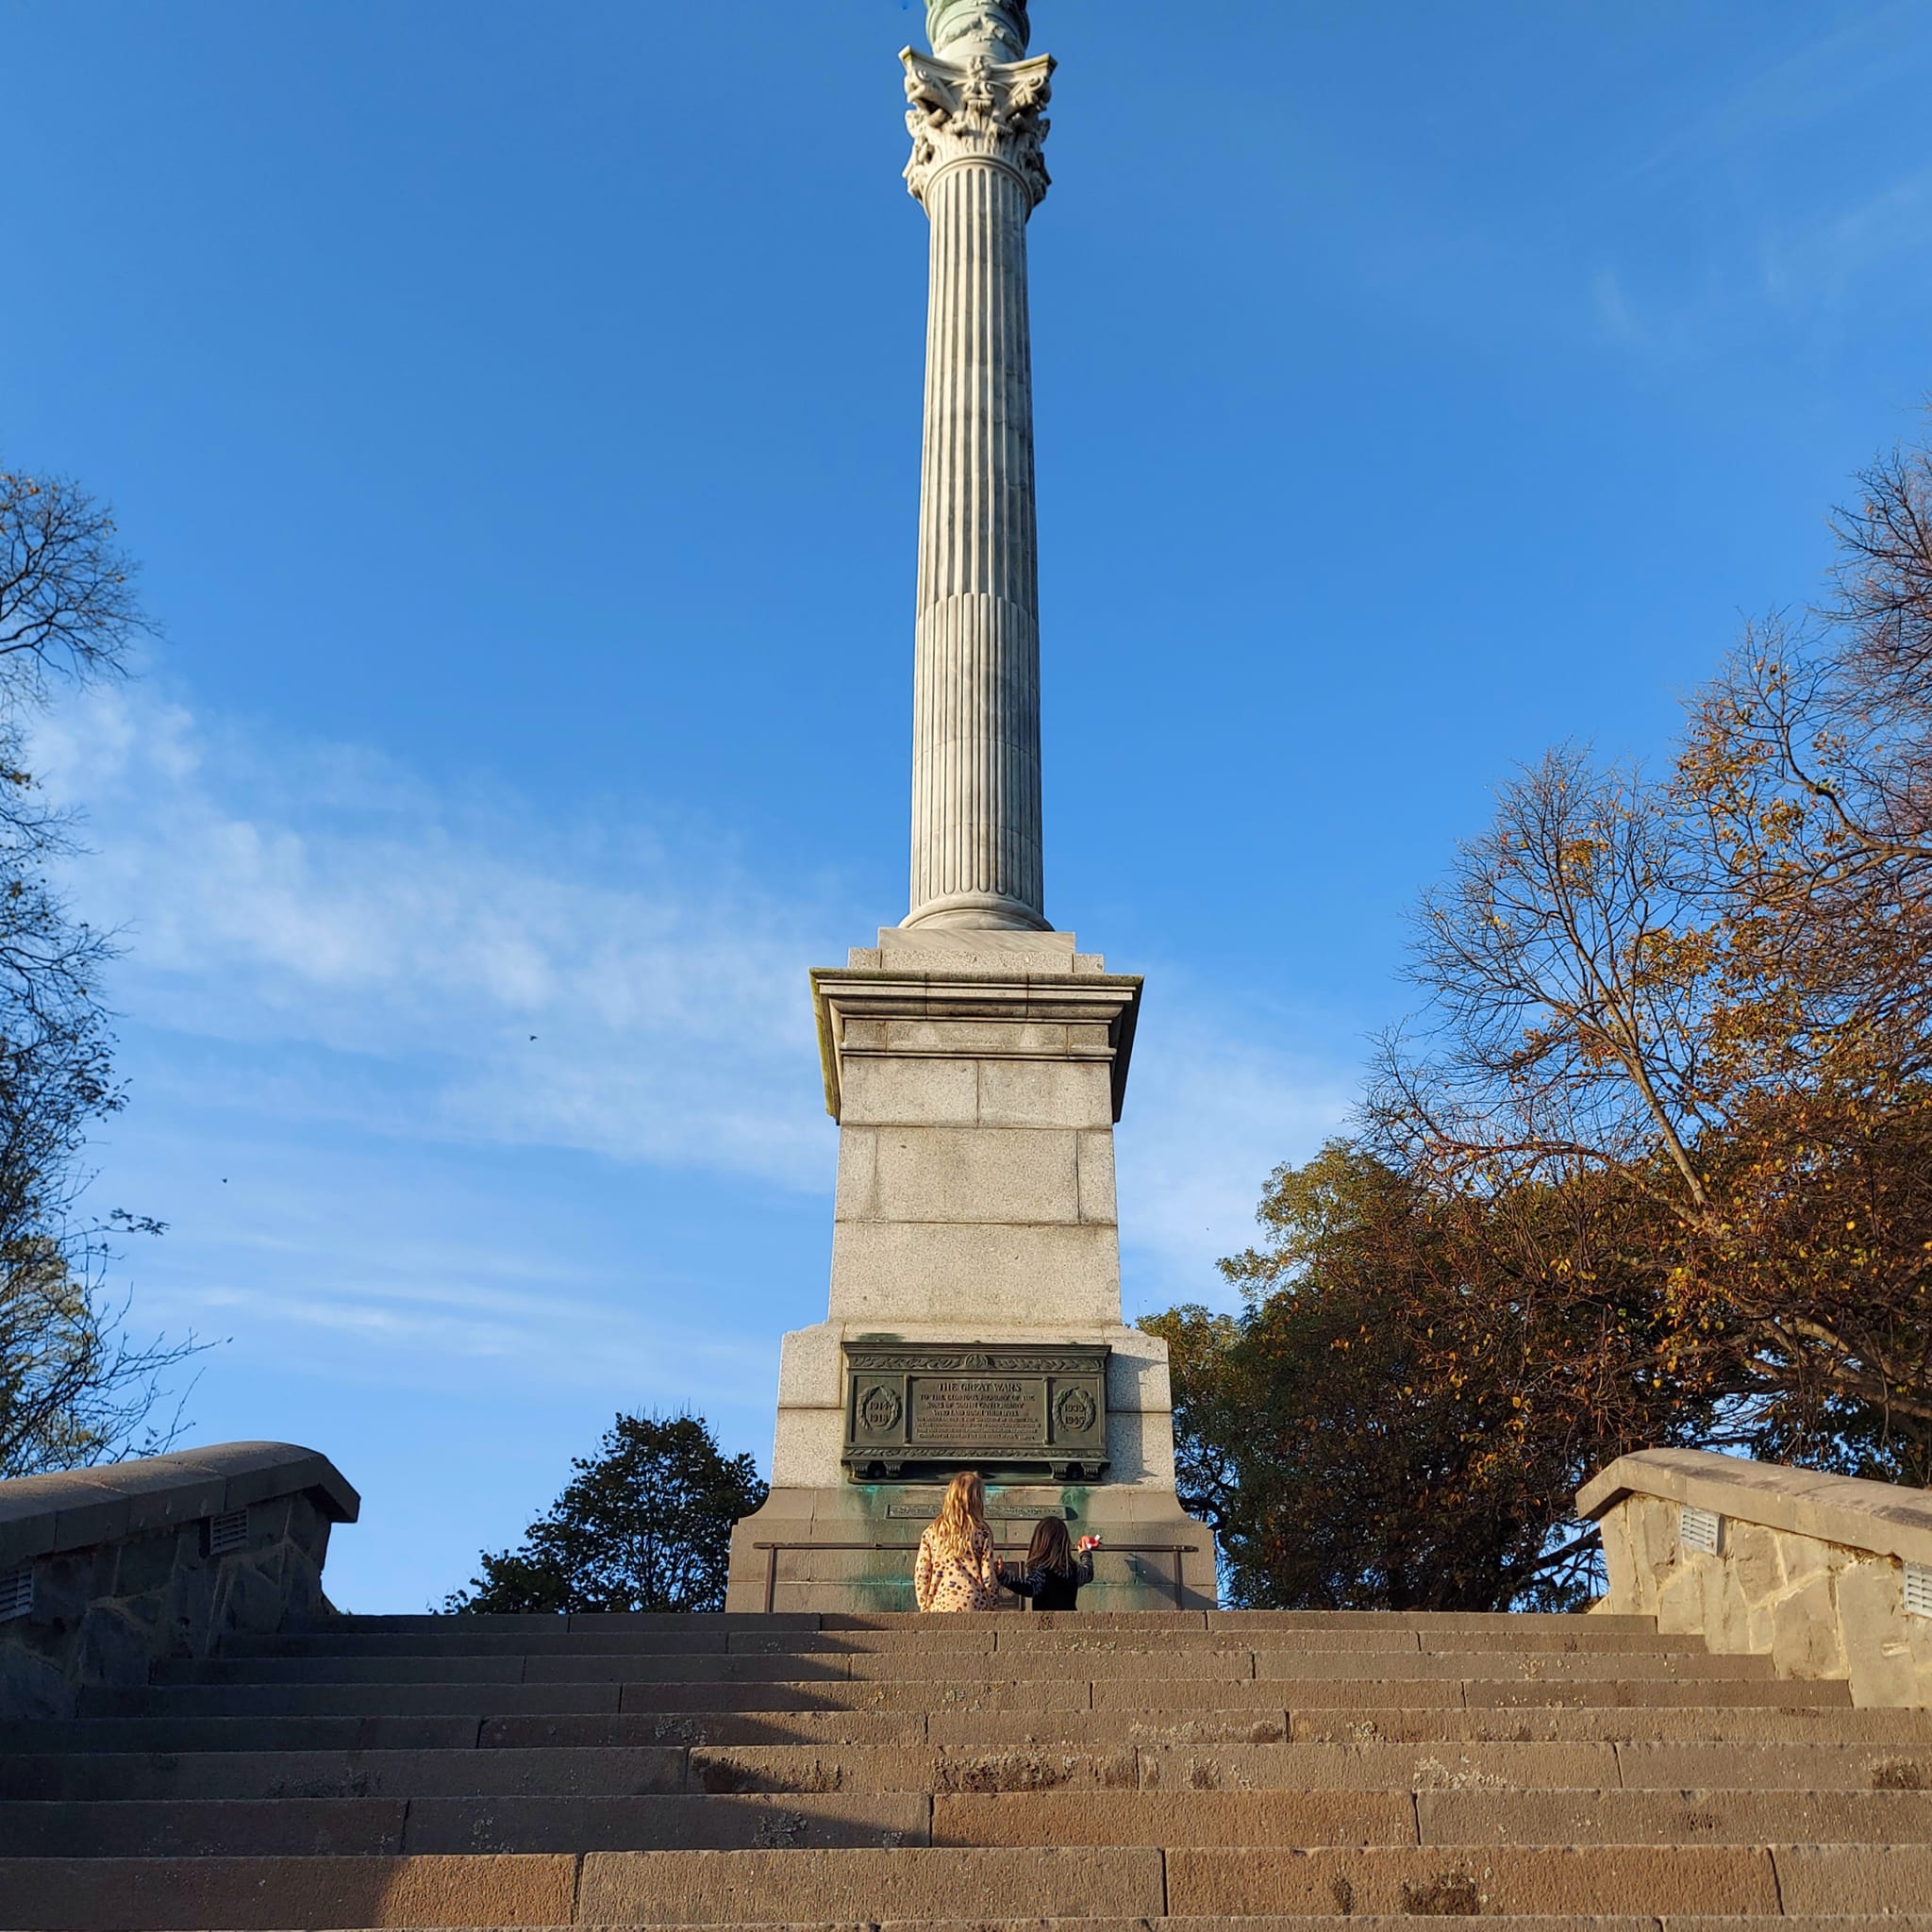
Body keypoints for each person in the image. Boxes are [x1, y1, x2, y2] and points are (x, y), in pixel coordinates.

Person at [913, 1471, 1005, 1612]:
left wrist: (924, 1605)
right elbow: (988, 1576)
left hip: (940, 1604)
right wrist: (992, 1603)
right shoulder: (982, 1532)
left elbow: (922, 1573)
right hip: (975, 1604)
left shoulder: (932, 1532)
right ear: (976, 1501)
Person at [1002, 1516, 1099, 1611]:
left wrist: (1003, 1576)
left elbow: (1028, 1587)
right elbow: (1088, 1572)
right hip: (1068, 1623)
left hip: (1046, 1623)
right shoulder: (1072, 1570)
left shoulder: (1042, 1572)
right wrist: (1085, 1552)